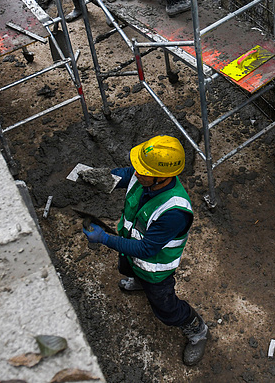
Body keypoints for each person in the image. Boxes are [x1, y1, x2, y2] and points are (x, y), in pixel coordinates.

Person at [81, 135, 209, 366]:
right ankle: (138, 281)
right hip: (133, 256)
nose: (136, 172)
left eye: (142, 170)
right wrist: (96, 175)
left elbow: (146, 249)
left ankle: (197, 329)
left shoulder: (174, 211)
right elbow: (124, 175)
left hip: (154, 269)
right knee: (127, 268)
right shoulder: (145, 178)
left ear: (162, 176)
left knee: (165, 307)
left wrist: (105, 238)